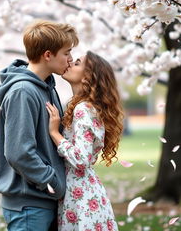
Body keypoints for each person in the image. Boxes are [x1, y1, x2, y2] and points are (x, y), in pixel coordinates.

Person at [0, 20, 79, 231]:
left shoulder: (47, 87)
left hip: (43, 200)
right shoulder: (23, 91)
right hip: (29, 206)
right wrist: (54, 184)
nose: (70, 59)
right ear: (48, 55)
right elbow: (19, 153)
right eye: (66, 53)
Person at [46, 51, 124, 231]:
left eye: (78, 63)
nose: (71, 62)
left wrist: (54, 133)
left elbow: (81, 159)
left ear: (89, 76)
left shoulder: (83, 109)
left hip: (82, 198)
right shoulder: (83, 106)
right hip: (84, 192)